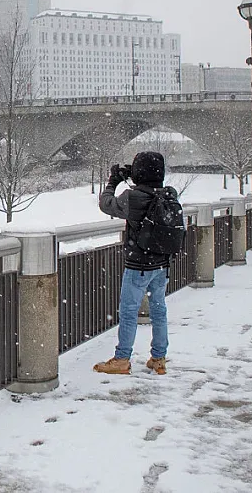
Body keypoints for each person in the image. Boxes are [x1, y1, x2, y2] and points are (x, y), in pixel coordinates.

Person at [93, 150, 170, 375]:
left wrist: (113, 181)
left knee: (128, 312)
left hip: (139, 265)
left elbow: (106, 204)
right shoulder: (167, 194)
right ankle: (159, 357)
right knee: (159, 310)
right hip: (161, 262)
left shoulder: (133, 197)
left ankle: (121, 359)